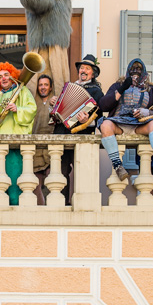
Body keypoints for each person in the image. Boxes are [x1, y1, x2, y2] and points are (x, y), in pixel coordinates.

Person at [97, 58, 153, 182]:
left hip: (140, 125)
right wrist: (121, 89)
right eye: (133, 68)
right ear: (128, 70)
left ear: (144, 72)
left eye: (139, 69)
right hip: (119, 123)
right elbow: (103, 105)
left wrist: (148, 112)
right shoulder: (117, 85)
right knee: (105, 125)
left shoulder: (151, 89)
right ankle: (117, 165)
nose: (136, 71)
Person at [52, 54, 104, 203]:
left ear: (92, 73)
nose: (84, 70)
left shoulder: (96, 92)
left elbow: (99, 115)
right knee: (61, 170)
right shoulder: (68, 87)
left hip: (83, 134)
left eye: (87, 68)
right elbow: (60, 110)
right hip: (62, 133)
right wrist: (53, 103)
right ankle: (61, 202)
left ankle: (83, 203)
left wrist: (87, 120)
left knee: (83, 170)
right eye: (82, 67)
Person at [0, 61, 37, 204]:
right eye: (0, 76)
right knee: (0, 182)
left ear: (13, 76)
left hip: (17, 145)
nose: (3, 78)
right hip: (0, 146)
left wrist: (17, 109)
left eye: (6, 75)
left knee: (15, 181)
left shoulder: (23, 91)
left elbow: (32, 110)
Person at [32, 74, 55, 204]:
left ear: (51, 87)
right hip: (35, 149)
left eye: (46, 85)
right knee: (36, 183)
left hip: (51, 149)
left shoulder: (55, 101)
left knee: (53, 181)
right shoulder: (33, 101)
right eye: (40, 85)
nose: (43, 87)